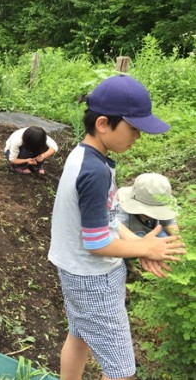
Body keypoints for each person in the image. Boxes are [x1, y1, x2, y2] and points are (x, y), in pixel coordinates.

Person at [47, 74, 186, 380]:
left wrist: (140, 246)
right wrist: (143, 248)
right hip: (94, 280)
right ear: (103, 124)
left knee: (79, 336)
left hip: (75, 271)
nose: (137, 137)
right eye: (134, 128)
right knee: (121, 369)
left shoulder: (85, 155)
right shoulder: (95, 171)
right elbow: (97, 243)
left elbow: (106, 221)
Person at [117, 173, 179, 238]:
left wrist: (176, 242)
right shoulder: (122, 214)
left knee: (163, 236)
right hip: (131, 239)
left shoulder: (161, 201)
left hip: (153, 233)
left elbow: (169, 223)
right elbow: (117, 233)